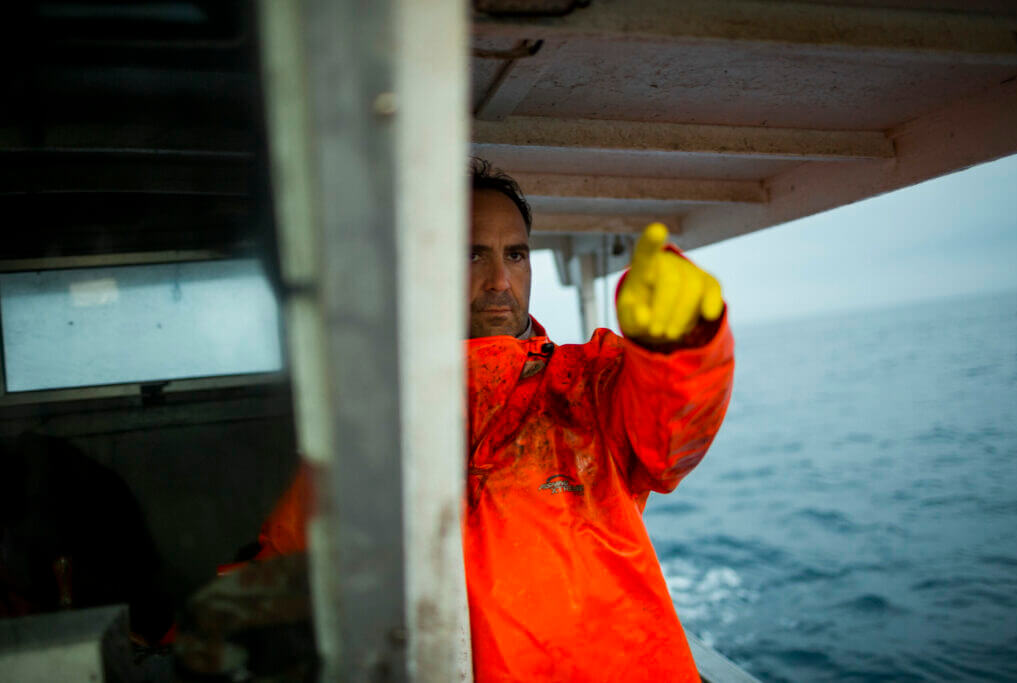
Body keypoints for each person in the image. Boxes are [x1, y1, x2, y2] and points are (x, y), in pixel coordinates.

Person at [253, 159, 734, 681]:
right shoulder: (368, 422)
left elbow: (673, 434)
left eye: (517, 254)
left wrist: (682, 343)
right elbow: (284, 562)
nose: (500, 280)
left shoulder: (590, 382)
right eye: (472, 254)